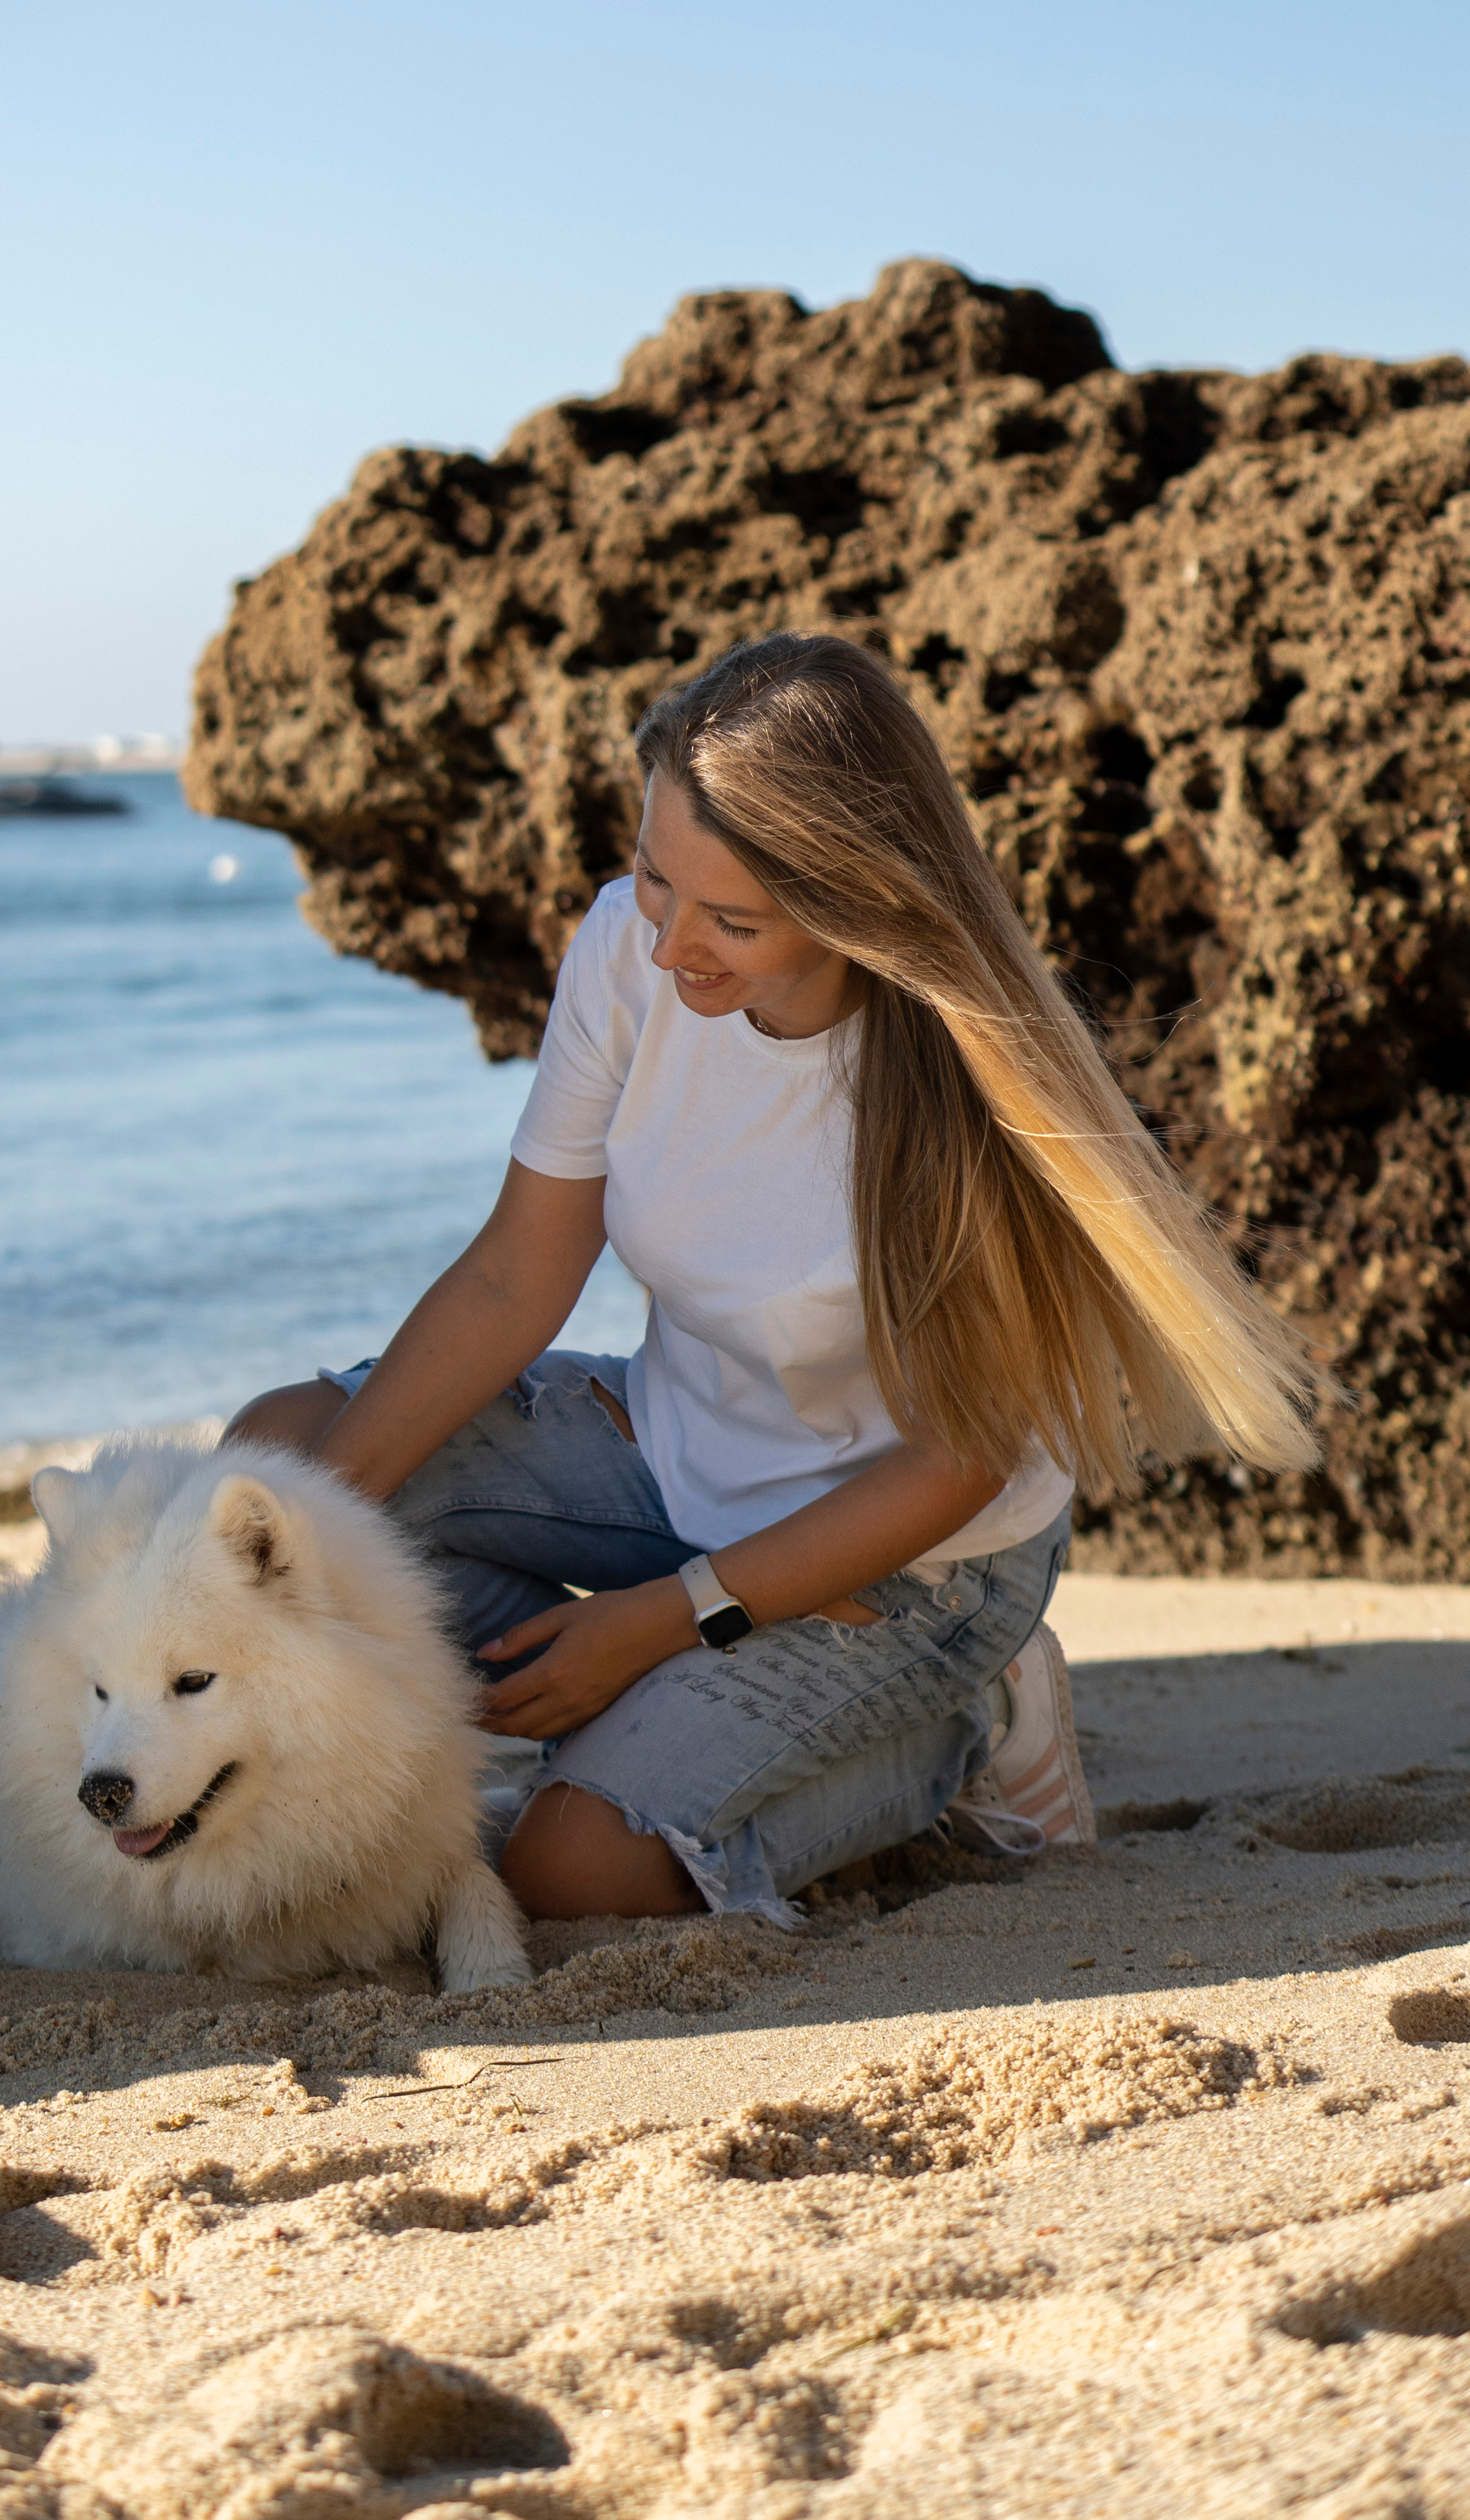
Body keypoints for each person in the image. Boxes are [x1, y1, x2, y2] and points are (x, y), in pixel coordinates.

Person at [228, 633, 1316, 1928]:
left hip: (918, 1559)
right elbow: (517, 1276)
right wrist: (263, 1572)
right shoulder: (626, 952)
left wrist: (661, 1623)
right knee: (285, 1465)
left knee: (568, 1875)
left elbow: (960, 1464)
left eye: (733, 923)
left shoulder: (970, 1090)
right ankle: (645, 1721)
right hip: (675, 1454)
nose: (672, 948)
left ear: (855, 907)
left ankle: (975, 1722)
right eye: (654, 878)